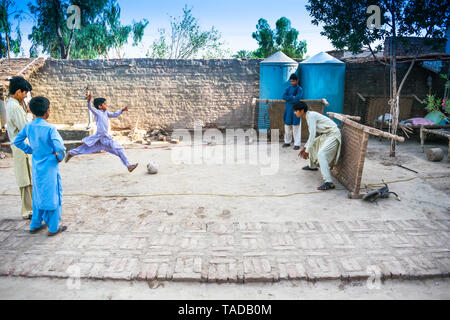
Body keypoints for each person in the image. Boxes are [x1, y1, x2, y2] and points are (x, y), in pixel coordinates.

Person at [14, 96, 67, 236]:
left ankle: (35, 224)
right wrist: (59, 157)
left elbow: (17, 141)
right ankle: (54, 227)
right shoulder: (50, 128)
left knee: (38, 194)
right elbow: (60, 148)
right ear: (47, 111)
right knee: (53, 194)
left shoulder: (29, 126)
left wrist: (30, 149)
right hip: (50, 165)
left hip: (37, 164)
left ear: (31, 111)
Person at [65, 92, 138, 172]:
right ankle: (71, 153)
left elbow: (114, 114)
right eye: (105, 104)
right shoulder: (97, 113)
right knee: (86, 148)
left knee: (119, 151)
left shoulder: (106, 113)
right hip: (101, 138)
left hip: (104, 141)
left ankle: (128, 166)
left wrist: (122, 110)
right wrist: (89, 101)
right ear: (100, 106)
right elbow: (90, 108)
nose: (106, 105)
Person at [293, 101, 341, 191]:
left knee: (321, 154)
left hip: (333, 134)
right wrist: (305, 148)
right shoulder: (308, 116)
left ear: (302, 110)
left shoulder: (310, 116)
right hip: (326, 134)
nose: (295, 112)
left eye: (296, 111)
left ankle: (329, 182)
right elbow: (312, 137)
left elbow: (312, 134)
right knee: (313, 144)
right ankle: (312, 166)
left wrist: (306, 151)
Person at [5, 76, 34, 219]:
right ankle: (27, 210)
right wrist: (29, 114)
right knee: (25, 179)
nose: (25, 97)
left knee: (28, 177)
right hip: (20, 146)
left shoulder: (14, 104)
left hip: (21, 146)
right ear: (17, 91)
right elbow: (24, 127)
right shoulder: (15, 107)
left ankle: (31, 208)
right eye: (24, 93)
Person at [282, 73, 303, 150]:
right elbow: (283, 97)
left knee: (296, 127)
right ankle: (287, 142)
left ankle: (297, 144)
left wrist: (289, 98)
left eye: (293, 81)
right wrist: (292, 97)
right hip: (288, 110)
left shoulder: (299, 89)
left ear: (297, 81)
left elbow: (297, 99)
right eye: (291, 81)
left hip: (296, 110)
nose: (292, 83)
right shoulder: (288, 88)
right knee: (287, 126)